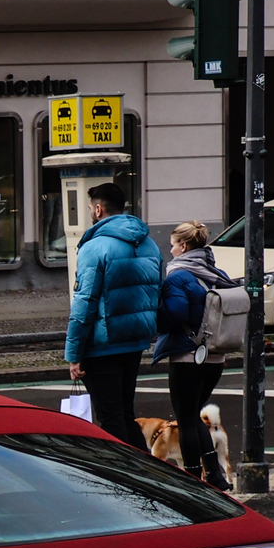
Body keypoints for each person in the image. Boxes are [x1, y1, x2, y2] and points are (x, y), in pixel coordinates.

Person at [63, 182, 161, 450]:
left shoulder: (94, 248)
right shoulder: (148, 244)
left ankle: (127, 480)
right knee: (125, 414)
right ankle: (147, 473)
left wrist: (74, 354)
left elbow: (84, 304)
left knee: (111, 419)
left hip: (102, 345)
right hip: (135, 340)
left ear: (97, 209)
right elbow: (155, 292)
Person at [150, 219, 234, 489]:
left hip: (188, 356)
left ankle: (193, 480)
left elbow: (174, 312)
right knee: (193, 413)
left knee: (185, 419)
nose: (170, 250)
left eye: (173, 244)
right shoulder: (214, 271)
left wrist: (157, 323)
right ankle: (216, 475)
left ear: (184, 246)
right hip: (215, 356)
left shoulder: (178, 275)